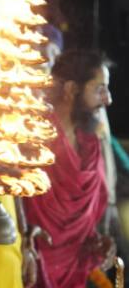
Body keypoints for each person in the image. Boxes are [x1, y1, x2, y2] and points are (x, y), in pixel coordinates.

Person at [24, 49, 115, 288]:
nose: (108, 100)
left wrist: (96, 241)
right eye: (99, 89)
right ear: (71, 90)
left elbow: (85, 227)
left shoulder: (91, 148)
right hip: (27, 266)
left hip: (72, 273)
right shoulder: (32, 140)